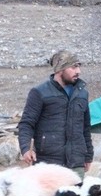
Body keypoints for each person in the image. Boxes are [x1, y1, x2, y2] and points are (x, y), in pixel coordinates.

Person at [17, 50, 93, 178]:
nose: (78, 71)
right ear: (60, 69)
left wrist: (88, 155)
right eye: (73, 67)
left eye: (79, 66)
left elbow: (85, 128)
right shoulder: (40, 93)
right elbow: (26, 124)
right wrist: (25, 148)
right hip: (48, 164)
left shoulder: (82, 94)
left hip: (76, 164)